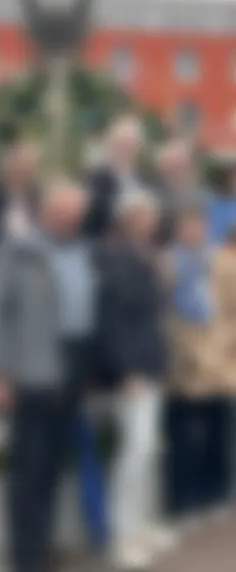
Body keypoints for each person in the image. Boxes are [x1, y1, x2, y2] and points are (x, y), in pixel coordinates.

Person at [0, 180, 99, 572]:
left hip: (74, 366)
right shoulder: (18, 251)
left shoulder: (83, 250)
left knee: (52, 466)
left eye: (77, 215)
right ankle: (26, 556)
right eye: (64, 214)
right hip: (30, 370)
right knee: (28, 467)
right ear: (46, 212)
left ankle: (43, 542)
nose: (71, 221)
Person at [93, 190, 172, 569]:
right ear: (128, 217)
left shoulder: (146, 253)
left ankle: (139, 526)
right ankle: (121, 535)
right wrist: (126, 371)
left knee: (146, 450)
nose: (152, 220)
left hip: (151, 363)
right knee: (134, 450)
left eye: (153, 214)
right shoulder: (114, 254)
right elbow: (113, 318)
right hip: (131, 371)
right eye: (145, 214)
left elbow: (153, 312)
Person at [162, 208, 236, 524]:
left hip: (220, 359)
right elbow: (162, 313)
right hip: (182, 361)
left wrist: (226, 347)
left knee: (219, 433)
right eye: (187, 227)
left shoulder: (223, 263)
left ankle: (215, 495)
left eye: (198, 227)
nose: (193, 233)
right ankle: (182, 501)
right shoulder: (166, 264)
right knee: (183, 437)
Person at [83, 116, 147, 239]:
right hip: (108, 239)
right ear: (110, 144)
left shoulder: (143, 176)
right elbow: (95, 213)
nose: (125, 149)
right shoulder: (96, 177)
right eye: (121, 144)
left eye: (131, 145)